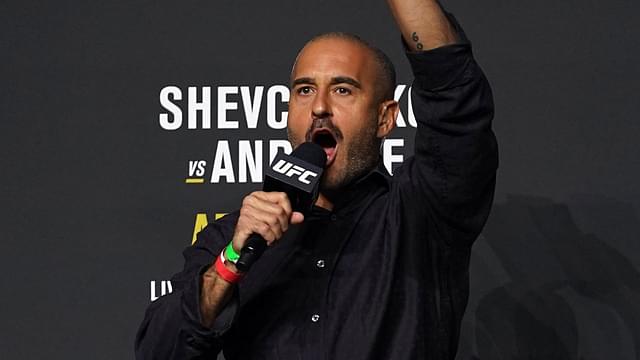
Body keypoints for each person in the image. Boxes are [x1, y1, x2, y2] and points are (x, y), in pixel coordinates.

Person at [135, 0, 498, 358]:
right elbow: (159, 352)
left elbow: (453, 93)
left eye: (343, 89)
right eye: (304, 90)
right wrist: (231, 262)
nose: (320, 106)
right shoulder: (231, 238)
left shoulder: (421, 216)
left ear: (385, 119)